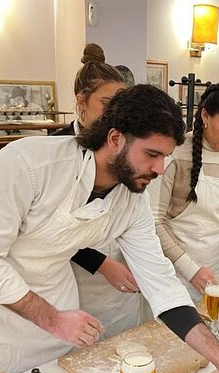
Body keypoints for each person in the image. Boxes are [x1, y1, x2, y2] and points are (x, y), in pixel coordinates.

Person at [0, 84, 219, 373]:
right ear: (115, 139)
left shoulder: (131, 201)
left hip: (54, 309)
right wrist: (52, 319)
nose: (160, 168)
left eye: (166, 157)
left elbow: (161, 283)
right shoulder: (27, 165)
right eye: (152, 154)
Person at [53, 44, 148, 337]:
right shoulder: (56, 149)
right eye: (107, 104)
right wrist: (101, 263)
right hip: (74, 272)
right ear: (82, 100)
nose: (114, 115)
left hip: (120, 263)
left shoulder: (126, 145)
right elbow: (51, 228)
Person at [153, 81, 219, 302]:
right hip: (173, 272)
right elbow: (155, 221)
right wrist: (190, 269)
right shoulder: (176, 154)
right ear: (205, 116)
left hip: (215, 273)